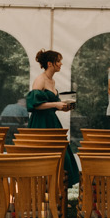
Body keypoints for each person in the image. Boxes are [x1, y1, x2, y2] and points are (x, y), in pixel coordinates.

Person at [26, 49, 78, 184]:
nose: (61, 64)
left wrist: (62, 107)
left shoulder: (52, 81)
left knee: (61, 155)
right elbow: (34, 105)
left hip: (51, 121)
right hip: (40, 123)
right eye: (58, 61)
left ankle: (58, 186)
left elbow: (49, 104)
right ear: (50, 64)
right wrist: (55, 104)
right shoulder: (40, 80)